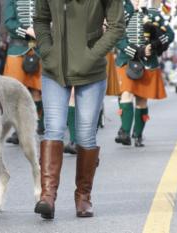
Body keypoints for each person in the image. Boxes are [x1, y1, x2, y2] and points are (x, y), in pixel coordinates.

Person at [33, 0, 125, 219]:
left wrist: (91, 56)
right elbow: (40, 19)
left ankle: (83, 197)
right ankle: (47, 196)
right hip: (54, 70)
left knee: (85, 134)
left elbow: (117, 26)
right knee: (53, 129)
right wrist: (47, 50)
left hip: (91, 71)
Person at [114, 0, 174, 147]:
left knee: (141, 100)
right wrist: (137, 51)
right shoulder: (121, 12)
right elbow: (117, 37)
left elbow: (169, 35)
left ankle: (138, 134)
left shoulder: (154, 14)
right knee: (126, 94)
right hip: (126, 60)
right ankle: (125, 132)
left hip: (147, 63)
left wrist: (154, 46)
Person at [3, 0, 44, 145]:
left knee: (37, 91)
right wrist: (26, 32)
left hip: (39, 49)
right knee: (14, 92)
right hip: (17, 49)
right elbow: (8, 22)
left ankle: (36, 123)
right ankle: (17, 128)